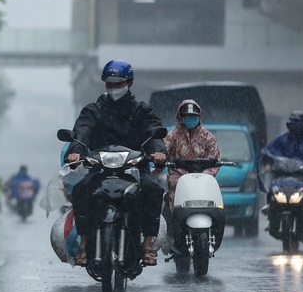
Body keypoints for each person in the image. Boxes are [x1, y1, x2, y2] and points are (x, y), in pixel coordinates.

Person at [64, 59, 167, 267]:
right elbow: (82, 132)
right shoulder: (93, 110)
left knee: (153, 190)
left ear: (129, 82)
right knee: (81, 190)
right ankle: (84, 244)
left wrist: (158, 152)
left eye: (118, 83)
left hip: (135, 167)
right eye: (110, 83)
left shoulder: (141, 111)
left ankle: (147, 245)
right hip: (100, 168)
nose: (114, 88)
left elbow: (154, 131)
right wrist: (75, 151)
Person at [261, 110, 303, 239]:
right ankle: (272, 220)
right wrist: (268, 159)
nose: (295, 129)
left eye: (298, 126)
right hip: (282, 177)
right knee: (272, 191)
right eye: (293, 126)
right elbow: (269, 151)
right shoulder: (281, 141)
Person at [163, 100, 220, 245]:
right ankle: (172, 228)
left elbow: (215, 159)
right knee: (172, 190)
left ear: (199, 117)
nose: (190, 119)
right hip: (178, 177)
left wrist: (206, 175)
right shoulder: (172, 136)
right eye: (186, 116)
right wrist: (160, 158)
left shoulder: (208, 137)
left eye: (193, 116)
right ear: (179, 117)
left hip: (202, 178)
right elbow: (163, 152)